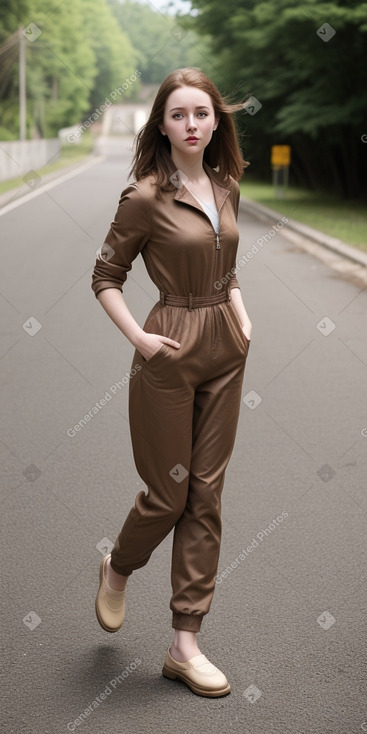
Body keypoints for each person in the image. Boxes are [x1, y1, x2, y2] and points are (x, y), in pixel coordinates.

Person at [92, 66, 252, 698]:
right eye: (179, 115)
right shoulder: (144, 196)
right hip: (168, 347)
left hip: (226, 349)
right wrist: (139, 338)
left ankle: (185, 644)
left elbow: (228, 266)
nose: (192, 125)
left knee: (207, 495)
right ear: (161, 123)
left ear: (217, 121)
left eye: (202, 114)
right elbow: (106, 275)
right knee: (170, 493)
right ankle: (118, 565)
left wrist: (240, 315)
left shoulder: (226, 185)